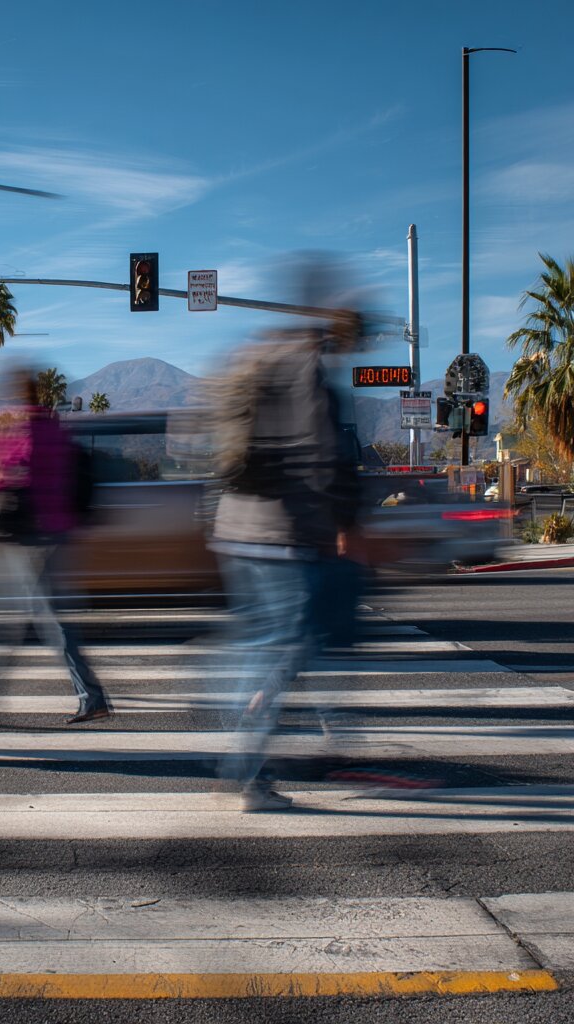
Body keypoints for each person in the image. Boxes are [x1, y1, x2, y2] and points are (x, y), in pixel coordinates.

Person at [210, 311, 362, 811]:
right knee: (288, 647)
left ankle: (250, 734)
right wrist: (339, 526)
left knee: (265, 644)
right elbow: (320, 460)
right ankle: (249, 771)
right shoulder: (308, 375)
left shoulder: (253, 365)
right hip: (283, 537)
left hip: (236, 530)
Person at [0, 369, 111, 724]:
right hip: (56, 537)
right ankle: (92, 698)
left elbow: (8, 476)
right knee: (50, 625)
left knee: (14, 625)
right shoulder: (56, 430)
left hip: (32, 542)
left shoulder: (27, 433)